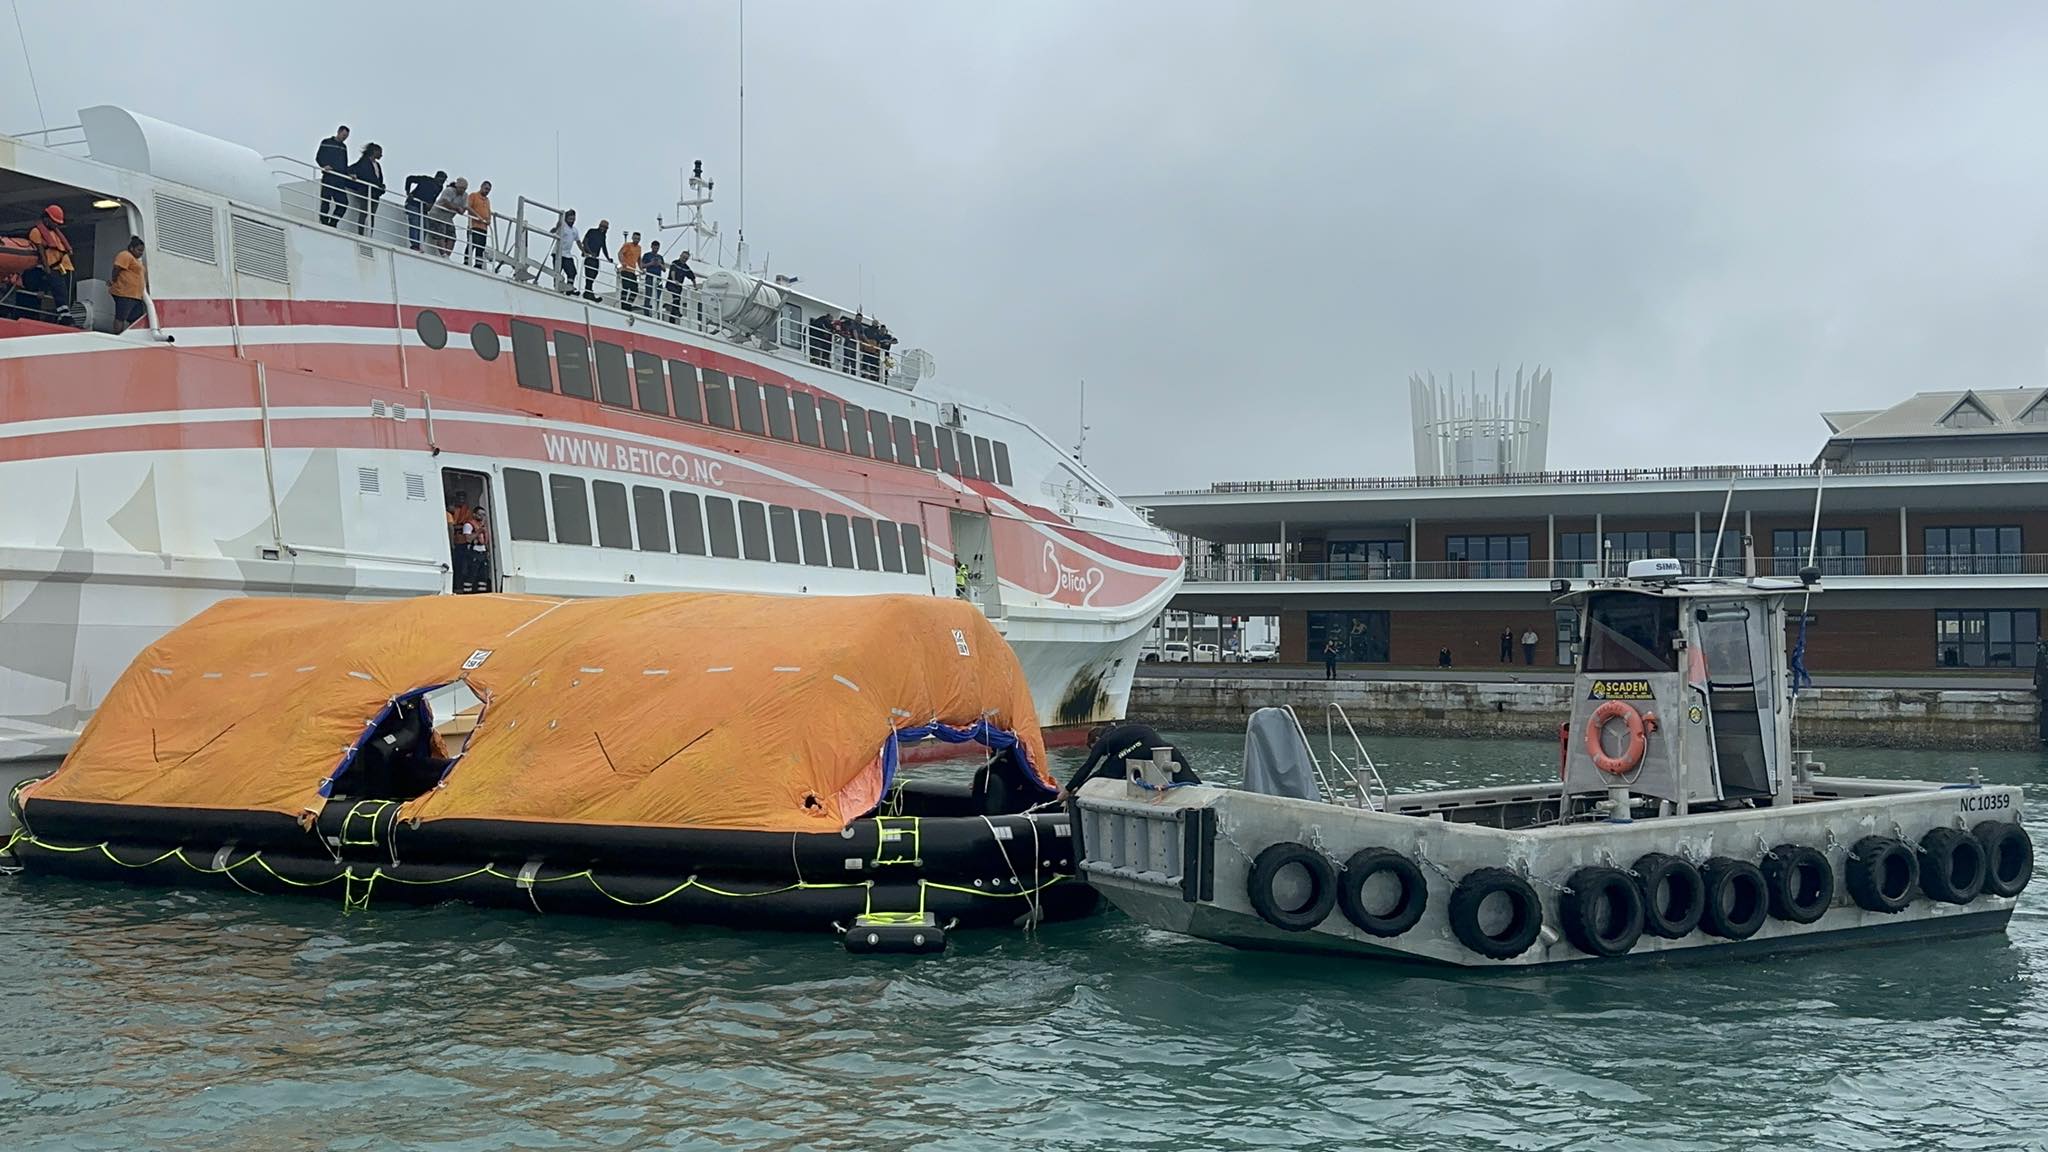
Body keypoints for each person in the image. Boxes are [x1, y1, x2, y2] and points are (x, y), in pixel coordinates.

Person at [1063, 722, 1198, 796]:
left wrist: (1069, 789)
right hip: (1155, 740)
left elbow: (1088, 766)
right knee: (1169, 752)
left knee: (1108, 771)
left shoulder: (1103, 741)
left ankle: (1078, 792)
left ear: (1096, 740)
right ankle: (1195, 785)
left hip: (1142, 742)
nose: (1101, 754)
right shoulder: (1117, 734)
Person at [22, 205, 74, 321]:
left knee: (64, 293)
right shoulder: (36, 232)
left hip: (63, 267)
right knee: (59, 293)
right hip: (52, 268)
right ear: (47, 219)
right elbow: (41, 251)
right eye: (55, 222)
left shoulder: (54, 232)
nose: (56, 225)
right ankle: (65, 317)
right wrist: (47, 269)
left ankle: (65, 315)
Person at [402, 170, 446, 251]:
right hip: (414, 203)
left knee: (425, 226)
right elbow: (409, 179)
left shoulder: (440, 187)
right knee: (415, 222)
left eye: (443, 181)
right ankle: (415, 245)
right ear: (436, 177)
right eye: (441, 180)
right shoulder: (425, 179)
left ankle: (419, 244)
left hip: (424, 208)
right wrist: (408, 192)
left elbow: (434, 198)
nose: (441, 182)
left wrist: (431, 204)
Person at [348, 143, 385, 236]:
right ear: (374, 151)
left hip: (375, 193)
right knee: (364, 212)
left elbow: (378, 179)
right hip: (365, 191)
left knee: (372, 215)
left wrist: (381, 187)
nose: (381, 155)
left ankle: (369, 234)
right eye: (380, 152)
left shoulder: (377, 165)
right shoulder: (363, 162)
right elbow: (352, 168)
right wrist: (352, 174)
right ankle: (361, 233)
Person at [316, 125, 351, 227]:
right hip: (329, 176)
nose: (344, 138)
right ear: (339, 132)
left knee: (343, 203)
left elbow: (345, 163)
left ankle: (333, 222)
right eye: (344, 135)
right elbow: (319, 157)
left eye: (346, 137)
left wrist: (348, 174)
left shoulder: (344, 147)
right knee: (326, 200)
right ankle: (324, 221)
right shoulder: (326, 142)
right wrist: (324, 165)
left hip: (340, 179)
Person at [109, 237, 146, 330]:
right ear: (131, 248)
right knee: (120, 317)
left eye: (142, 251)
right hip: (125, 293)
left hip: (136, 295)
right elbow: (117, 268)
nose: (141, 253)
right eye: (139, 250)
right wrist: (113, 280)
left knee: (135, 319)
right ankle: (118, 335)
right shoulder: (125, 255)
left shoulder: (137, 261)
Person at [430, 178, 467, 257]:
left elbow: (463, 210)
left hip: (448, 218)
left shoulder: (465, 195)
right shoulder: (449, 190)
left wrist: (458, 208)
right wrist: (457, 207)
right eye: (461, 188)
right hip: (437, 215)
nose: (462, 190)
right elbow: (445, 203)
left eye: (464, 188)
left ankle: (447, 255)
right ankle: (443, 254)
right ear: (457, 186)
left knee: (452, 236)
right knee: (441, 234)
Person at [580, 218, 610, 300]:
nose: (604, 228)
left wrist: (608, 258)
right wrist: (589, 252)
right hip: (589, 256)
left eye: (606, 227)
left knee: (595, 273)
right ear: (599, 225)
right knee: (589, 274)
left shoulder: (603, 235)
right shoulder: (592, 231)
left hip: (595, 257)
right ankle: (588, 292)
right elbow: (584, 242)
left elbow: (604, 247)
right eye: (603, 226)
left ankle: (588, 291)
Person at [465, 180, 492, 268]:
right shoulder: (473, 195)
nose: (487, 191)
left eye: (488, 190)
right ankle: (466, 261)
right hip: (474, 225)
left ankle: (478, 264)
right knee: (472, 243)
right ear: (481, 187)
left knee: (481, 246)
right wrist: (478, 216)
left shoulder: (487, 200)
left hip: (484, 227)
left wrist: (489, 220)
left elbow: (488, 212)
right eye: (486, 188)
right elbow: (468, 207)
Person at [664, 249, 696, 322]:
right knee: (676, 298)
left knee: (677, 300)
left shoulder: (686, 268)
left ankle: (673, 318)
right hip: (671, 284)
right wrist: (674, 280)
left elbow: (692, 276)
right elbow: (673, 271)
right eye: (683, 257)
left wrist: (695, 286)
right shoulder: (675, 263)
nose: (684, 259)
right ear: (680, 256)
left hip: (678, 287)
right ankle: (676, 312)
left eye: (686, 258)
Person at [616, 231, 643, 312]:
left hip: (632, 271)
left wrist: (641, 269)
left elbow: (639, 259)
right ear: (632, 238)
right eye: (635, 238)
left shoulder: (639, 248)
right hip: (625, 269)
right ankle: (623, 304)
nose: (636, 240)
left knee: (635, 290)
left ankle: (628, 304)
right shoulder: (627, 245)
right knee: (626, 287)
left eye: (638, 239)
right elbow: (620, 253)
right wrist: (622, 262)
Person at [555, 210, 579, 293]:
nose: (572, 221)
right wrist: (557, 226)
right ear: (566, 219)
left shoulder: (574, 230)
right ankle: (557, 287)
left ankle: (569, 288)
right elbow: (553, 232)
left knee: (572, 272)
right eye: (570, 219)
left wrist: (584, 252)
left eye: (573, 219)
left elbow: (578, 241)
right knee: (557, 272)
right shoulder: (562, 227)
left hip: (567, 255)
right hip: (558, 253)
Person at [638, 240, 665, 315]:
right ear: (651, 247)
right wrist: (651, 263)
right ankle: (646, 312)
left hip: (659, 278)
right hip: (649, 277)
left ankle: (657, 311)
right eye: (654, 248)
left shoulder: (660, 257)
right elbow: (642, 266)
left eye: (657, 248)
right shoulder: (647, 255)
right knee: (648, 294)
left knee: (659, 293)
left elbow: (664, 269)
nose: (656, 249)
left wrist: (659, 264)